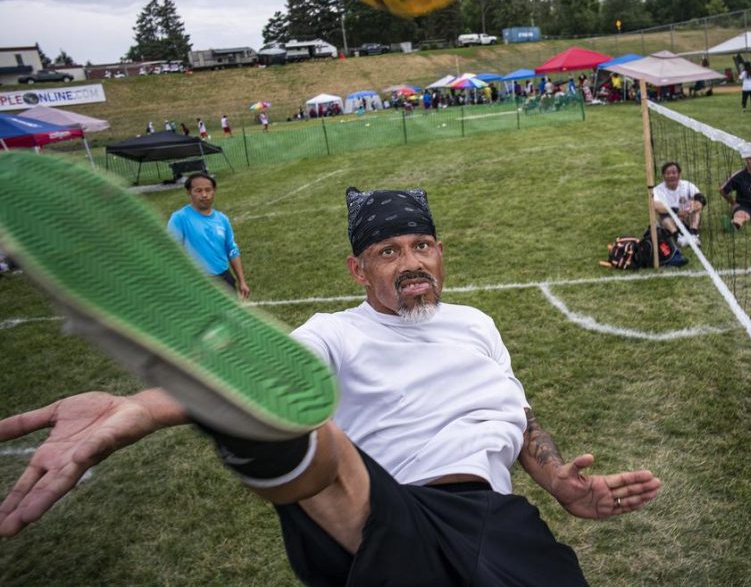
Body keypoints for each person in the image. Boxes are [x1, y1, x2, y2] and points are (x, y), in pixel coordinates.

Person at [0, 173, 661, 585]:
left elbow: (517, 416)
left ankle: (256, 431)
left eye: (421, 246)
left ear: (440, 251)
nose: (411, 264)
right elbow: (268, 374)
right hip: (388, 513)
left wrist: (560, 483)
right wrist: (137, 410)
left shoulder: (477, 323)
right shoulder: (333, 332)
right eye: (388, 252)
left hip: (503, 522)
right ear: (357, 270)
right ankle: (240, 419)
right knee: (307, 430)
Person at [167, 172, 250, 299]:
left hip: (224, 278)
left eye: (208, 190)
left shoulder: (222, 219)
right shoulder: (179, 218)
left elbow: (232, 250)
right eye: (198, 191)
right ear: (189, 193)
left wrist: (242, 281)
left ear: (214, 191)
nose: (204, 195)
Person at [652, 161, 707, 247]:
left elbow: (701, 198)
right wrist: (676, 211)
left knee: (697, 211)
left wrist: (694, 207)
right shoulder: (657, 189)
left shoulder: (687, 185)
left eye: (674, 173)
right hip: (670, 220)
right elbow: (656, 206)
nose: (671, 176)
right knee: (664, 215)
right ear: (663, 176)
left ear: (679, 174)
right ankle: (678, 238)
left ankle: (693, 234)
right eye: (668, 173)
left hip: (687, 217)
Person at [719, 153, 751, 230]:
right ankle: (733, 226)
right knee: (740, 215)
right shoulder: (739, 176)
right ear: (746, 160)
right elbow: (722, 190)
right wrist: (733, 203)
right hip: (744, 206)